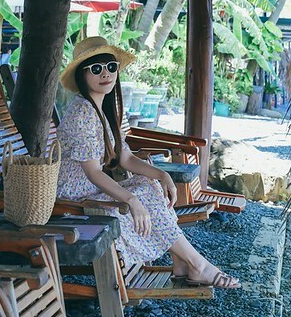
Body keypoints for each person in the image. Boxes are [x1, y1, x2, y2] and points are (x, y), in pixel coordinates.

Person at [56, 36, 241, 289]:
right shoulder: (82, 111)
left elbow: (125, 157)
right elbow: (93, 172)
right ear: (82, 75)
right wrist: (130, 200)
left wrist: (161, 175)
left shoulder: (105, 108)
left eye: (111, 66)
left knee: (149, 185)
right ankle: (197, 265)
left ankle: (182, 262)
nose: (106, 74)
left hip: (91, 190)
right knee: (139, 196)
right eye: (96, 69)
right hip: (73, 199)